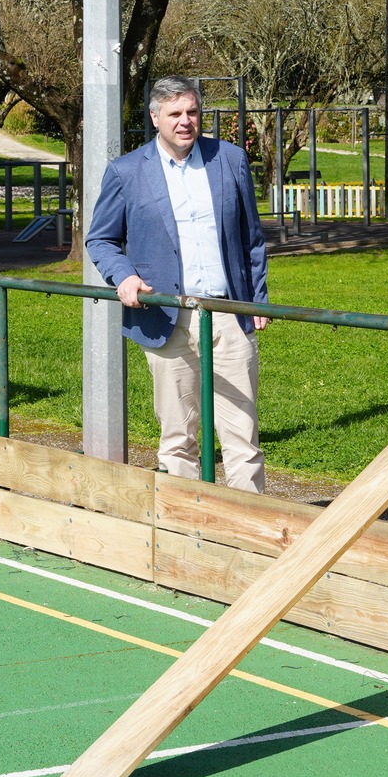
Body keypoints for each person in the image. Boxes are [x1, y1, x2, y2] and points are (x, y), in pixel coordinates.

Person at [85, 76, 271, 491]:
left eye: (192, 112)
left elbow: (251, 238)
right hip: (167, 314)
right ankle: (185, 527)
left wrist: (257, 302)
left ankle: (252, 531)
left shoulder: (230, 159)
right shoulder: (127, 171)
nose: (185, 122)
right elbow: (101, 238)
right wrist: (124, 275)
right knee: (178, 438)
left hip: (229, 314)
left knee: (243, 437)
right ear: (155, 118)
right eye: (174, 114)